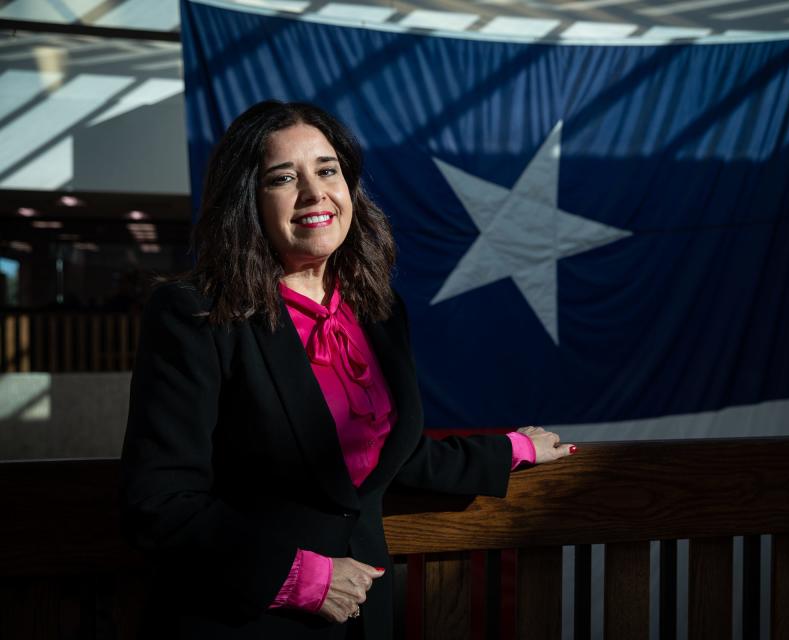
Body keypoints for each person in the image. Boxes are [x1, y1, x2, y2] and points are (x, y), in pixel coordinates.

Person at [120, 100, 575, 640]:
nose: (314, 193)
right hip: (242, 619)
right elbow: (160, 502)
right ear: (248, 200)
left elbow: (386, 457)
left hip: (363, 615)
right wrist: (303, 579)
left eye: (327, 170)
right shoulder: (194, 314)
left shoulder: (378, 310)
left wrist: (513, 449)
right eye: (283, 177)